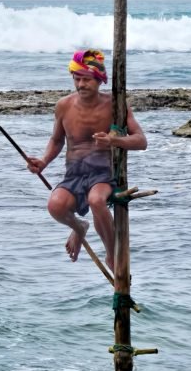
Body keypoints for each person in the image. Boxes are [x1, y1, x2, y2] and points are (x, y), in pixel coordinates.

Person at [26, 49, 147, 271]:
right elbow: (56, 140)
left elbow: (141, 141)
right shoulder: (64, 105)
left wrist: (113, 142)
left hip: (104, 174)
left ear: (99, 80)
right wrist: (43, 161)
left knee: (96, 201)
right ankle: (80, 227)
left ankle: (112, 255)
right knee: (55, 206)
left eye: (86, 79)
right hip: (74, 173)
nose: (81, 84)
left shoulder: (115, 105)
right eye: (77, 78)